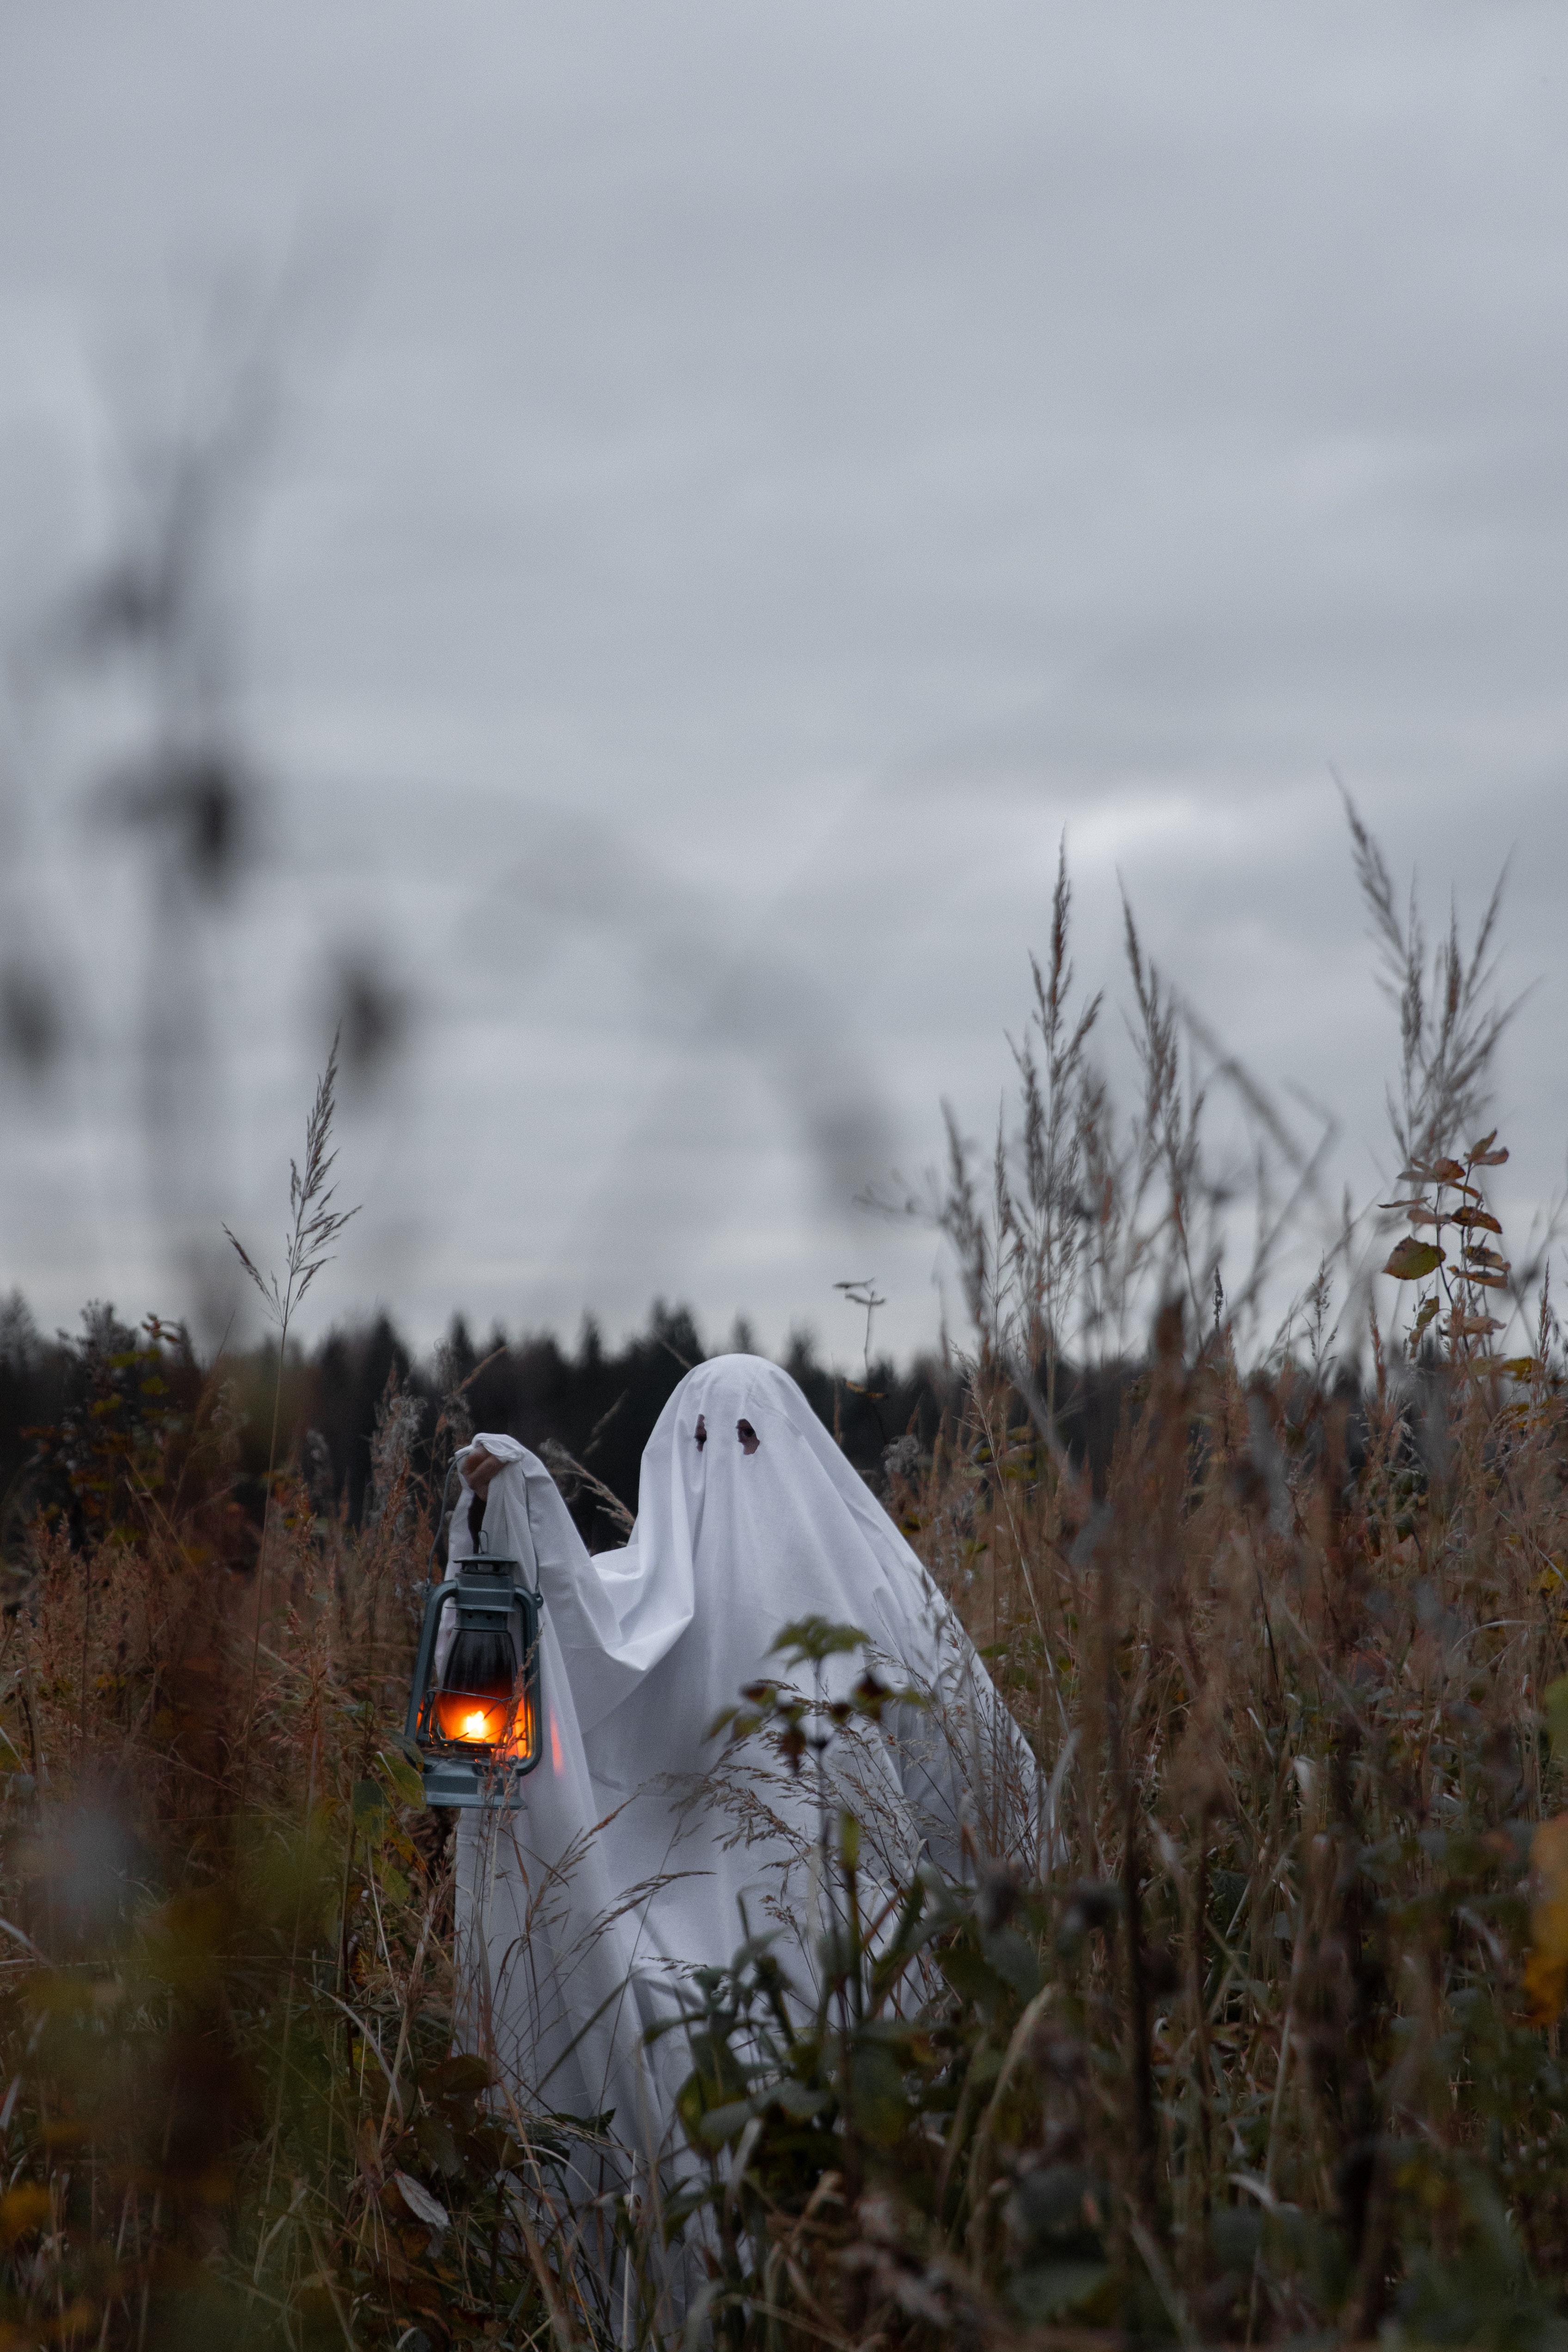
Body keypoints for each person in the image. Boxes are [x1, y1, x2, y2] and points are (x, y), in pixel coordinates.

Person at [441, 1353, 1044, 2181]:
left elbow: (971, 1772)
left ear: (795, 1449)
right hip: (669, 1973)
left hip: (855, 1975)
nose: (725, 1466)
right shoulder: (642, 1607)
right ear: (668, 1460)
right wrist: (511, 1512)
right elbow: (572, 1635)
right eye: (699, 1442)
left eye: (751, 1437)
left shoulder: (871, 1601)